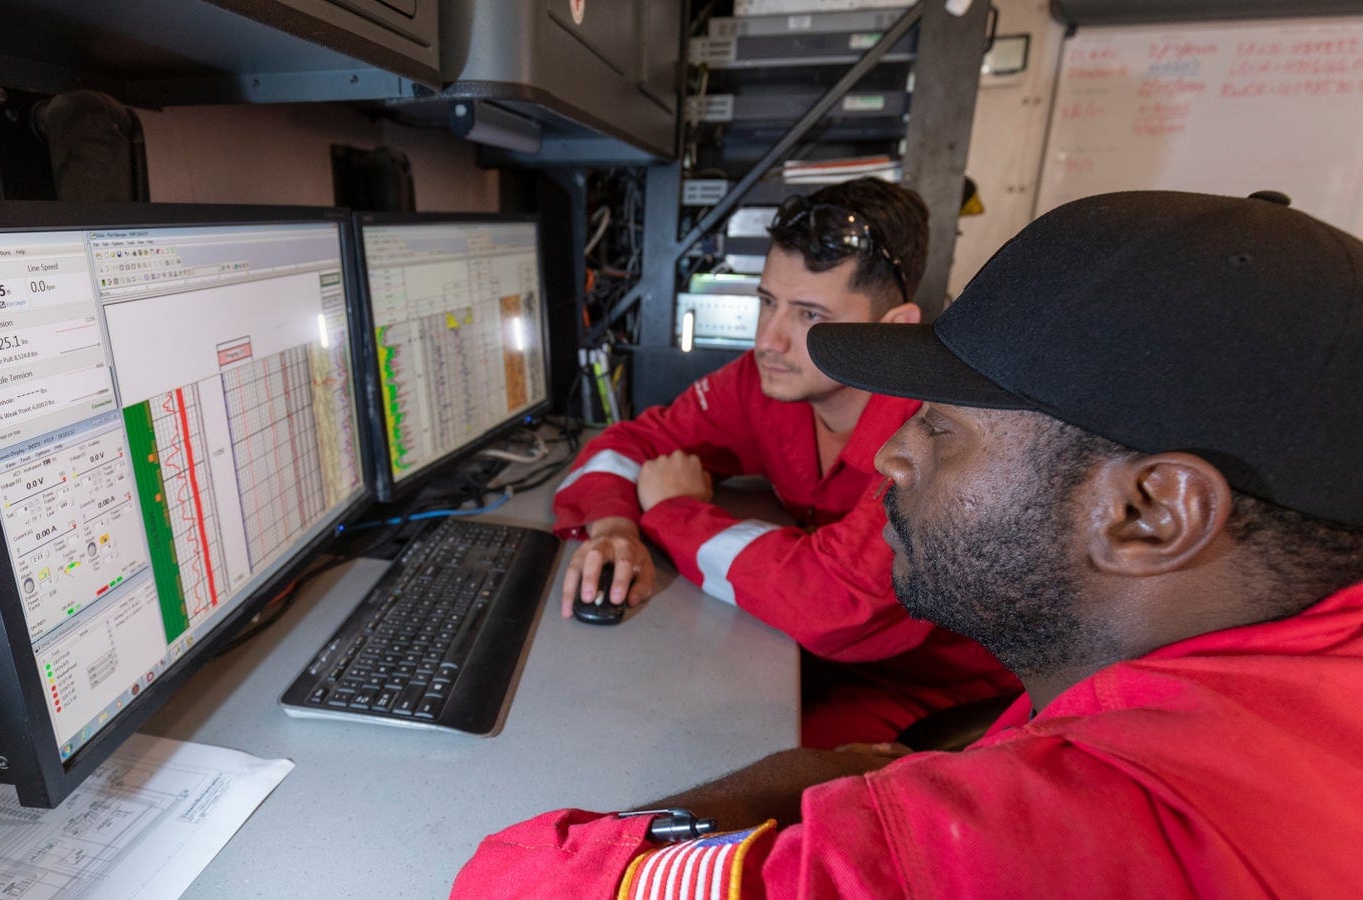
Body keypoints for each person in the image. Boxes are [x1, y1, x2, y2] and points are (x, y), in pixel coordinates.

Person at [454, 189, 1363, 897]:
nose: (891, 451)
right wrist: (620, 517)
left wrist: (825, 776)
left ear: (1153, 513)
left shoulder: (1089, 835)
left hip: (906, 700)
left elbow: (518, 886)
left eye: (942, 427)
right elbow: (633, 444)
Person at [556, 178, 1017, 746]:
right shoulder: (763, 385)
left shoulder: (934, 433)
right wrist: (615, 528)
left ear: (892, 329)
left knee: (726, 766)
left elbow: (838, 602)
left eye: (807, 316)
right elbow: (626, 442)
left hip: (933, 691)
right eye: (767, 302)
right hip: (805, 656)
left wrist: (674, 512)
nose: (768, 341)